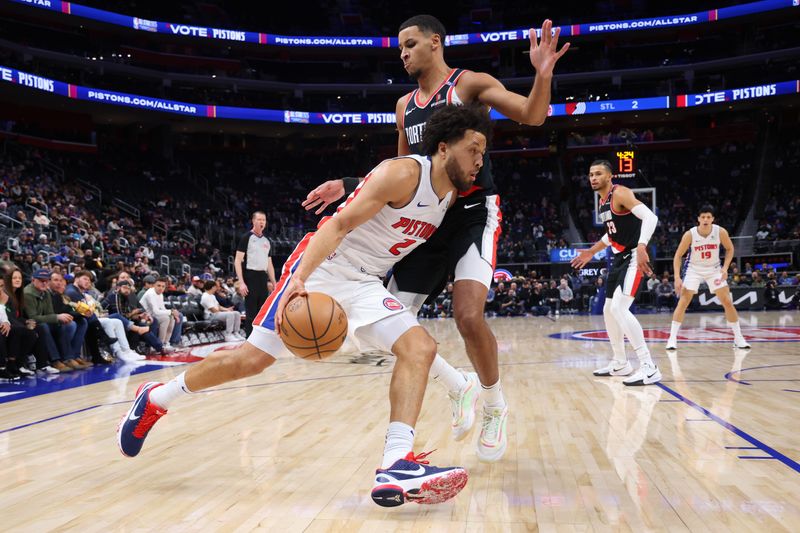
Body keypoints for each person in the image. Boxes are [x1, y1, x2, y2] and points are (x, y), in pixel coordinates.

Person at [117, 104, 491, 508]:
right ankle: (156, 398)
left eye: (483, 153)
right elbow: (336, 225)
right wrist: (297, 279)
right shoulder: (404, 173)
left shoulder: (451, 195)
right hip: (323, 266)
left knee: (420, 347)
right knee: (251, 360)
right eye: (473, 150)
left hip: (364, 281)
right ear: (442, 147)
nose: (479, 161)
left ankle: (396, 462)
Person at [303, 16, 568, 462]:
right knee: (383, 325)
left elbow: (534, 114)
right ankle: (457, 385)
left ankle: (495, 405)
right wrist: (351, 184)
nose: (403, 53)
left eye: (410, 44)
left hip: (471, 213)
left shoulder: (468, 84)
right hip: (427, 218)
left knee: (467, 317)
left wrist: (543, 74)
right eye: (399, 48)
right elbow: (402, 173)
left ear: (435, 42)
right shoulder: (405, 105)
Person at [571, 160, 661, 386]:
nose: (593, 178)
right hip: (618, 258)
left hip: (633, 256)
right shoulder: (602, 202)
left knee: (620, 308)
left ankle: (649, 367)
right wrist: (591, 252)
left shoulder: (620, 193)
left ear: (610, 177)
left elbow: (651, 217)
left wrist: (642, 246)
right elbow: (610, 236)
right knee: (608, 309)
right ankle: (621, 362)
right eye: (591, 174)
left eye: (598, 174)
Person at [666, 206, 751, 349]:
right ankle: (672, 338)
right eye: (703, 217)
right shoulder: (690, 234)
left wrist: (724, 268)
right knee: (684, 301)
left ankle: (738, 337)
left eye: (708, 217)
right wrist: (677, 277)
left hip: (714, 268)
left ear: (713, 219)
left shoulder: (720, 232)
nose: (705, 219)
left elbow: (730, 249)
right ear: (698, 219)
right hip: (693, 269)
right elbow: (678, 255)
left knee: (727, 301)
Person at [235, 211, 276, 335]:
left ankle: (260, 339)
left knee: (262, 311)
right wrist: (241, 283)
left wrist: (274, 282)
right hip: (250, 276)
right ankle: (249, 339)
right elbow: (237, 261)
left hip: (262, 277)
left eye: (263, 220)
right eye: (259, 219)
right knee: (251, 312)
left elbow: (269, 264)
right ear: (253, 221)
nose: (261, 222)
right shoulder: (246, 237)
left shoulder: (267, 241)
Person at [140, 276, 183, 349]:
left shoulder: (160, 294)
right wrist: (171, 311)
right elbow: (156, 311)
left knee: (171, 317)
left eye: (163, 286)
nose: (161, 288)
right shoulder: (150, 294)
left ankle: (166, 343)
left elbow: (162, 308)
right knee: (165, 318)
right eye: (158, 285)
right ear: (154, 285)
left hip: (152, 314)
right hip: (144, 315)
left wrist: (172, 314)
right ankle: (160, 344)